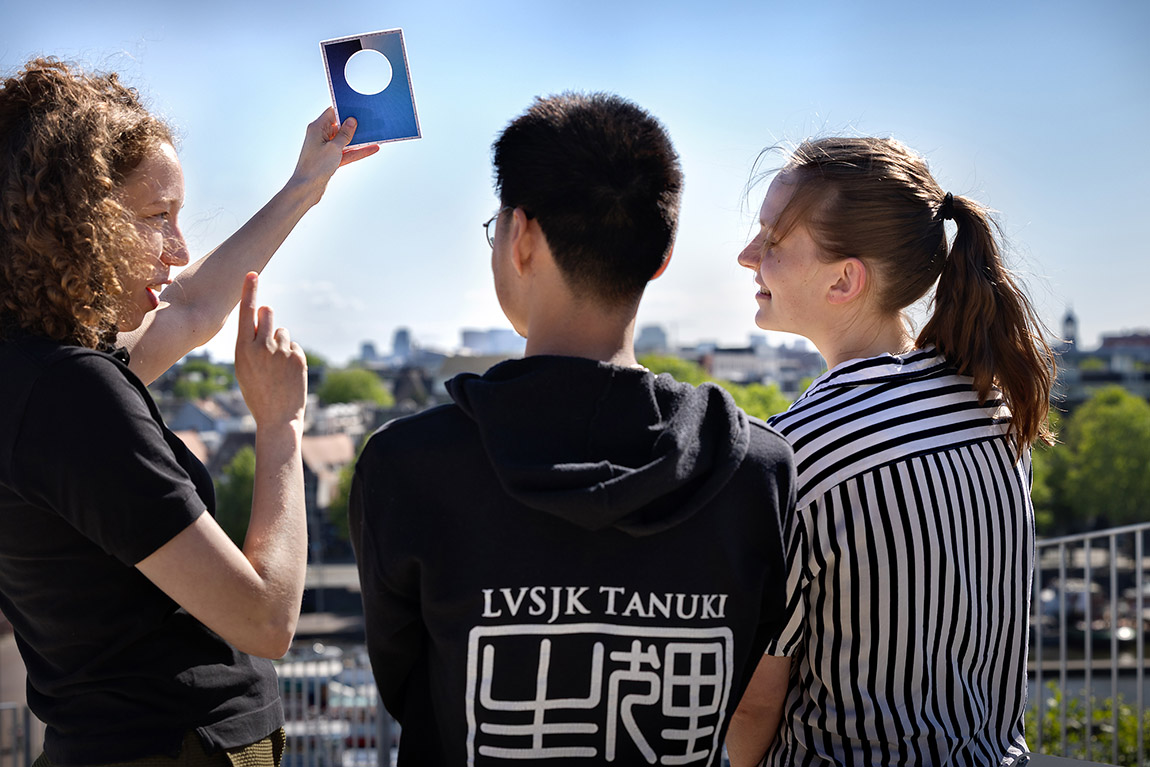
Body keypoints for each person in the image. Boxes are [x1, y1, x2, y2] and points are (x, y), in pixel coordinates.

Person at [349, 92, 796, 765]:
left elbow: (412, 687)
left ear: (522, 238)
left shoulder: (409, 466)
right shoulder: (756, 470)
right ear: (662, 255)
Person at [0, 57, 375, 764]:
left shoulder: (31, 373)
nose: (178, 249)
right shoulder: (71, 395)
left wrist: (305, 186)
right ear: (78, 224)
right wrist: (280, 427)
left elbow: (190, 306)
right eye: (156, 218)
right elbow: (265, 618)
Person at [725, 137, 1054, 766]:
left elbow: (752, 706)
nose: (747, 256)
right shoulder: (992, 409)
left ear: (845, 279)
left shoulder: (796, 452)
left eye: (773, 240)